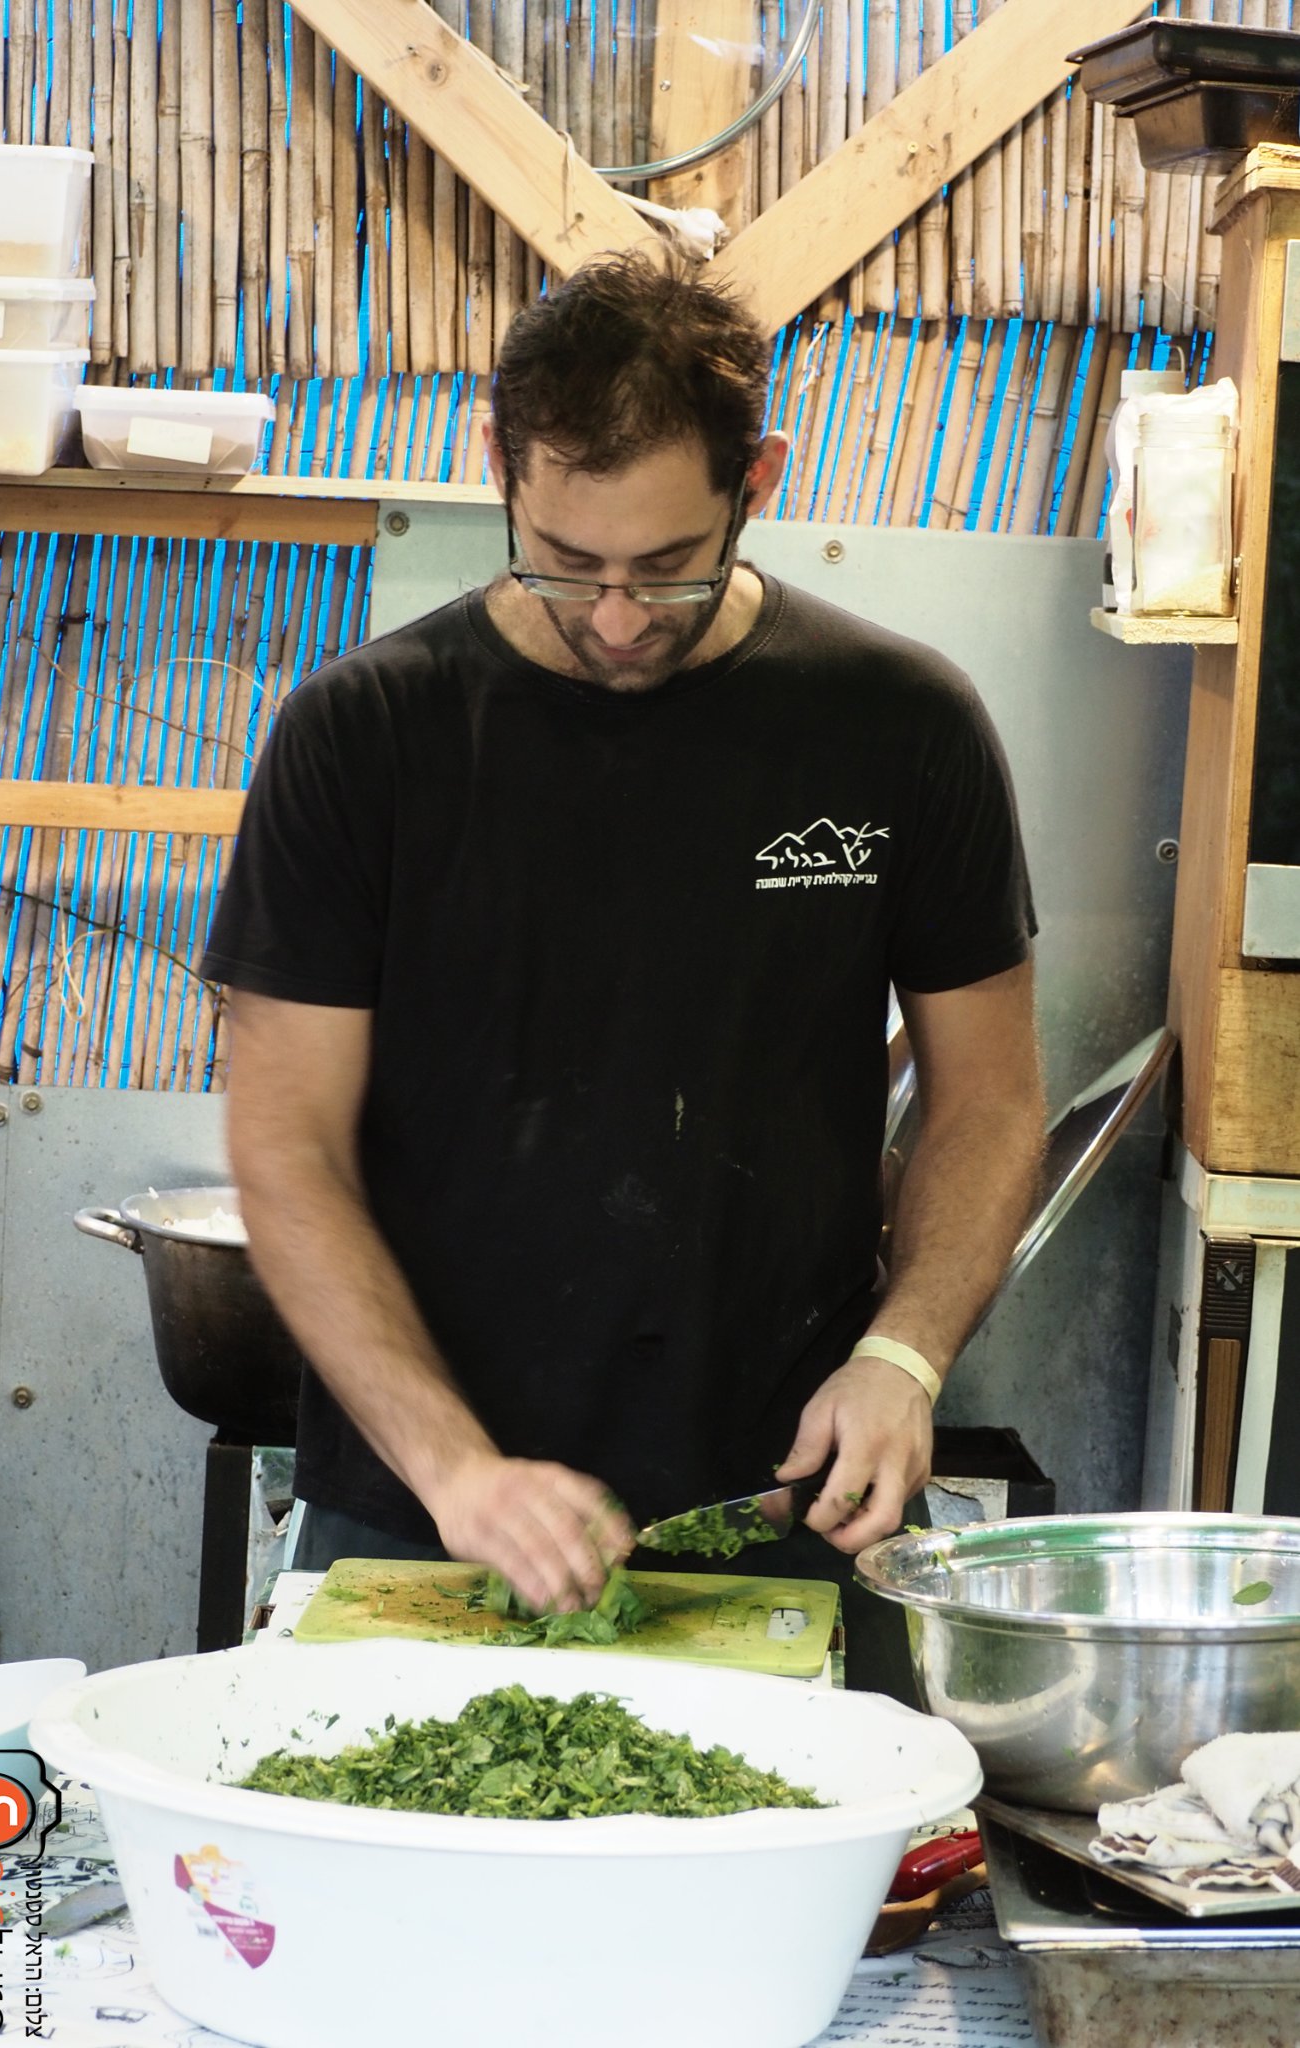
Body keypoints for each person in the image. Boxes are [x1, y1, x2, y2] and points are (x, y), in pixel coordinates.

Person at [201, 250, 1045, 1694]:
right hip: (419, 1515)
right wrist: (457, 1470)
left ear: (755, 480)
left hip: (782, 1507)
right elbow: (288, 1150)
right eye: (562, 559)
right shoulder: (362, 740)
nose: (611, 617)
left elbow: (988, 1101)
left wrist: (903, 1358)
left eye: (664, 567)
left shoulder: (901, 723)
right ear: (501, 472)